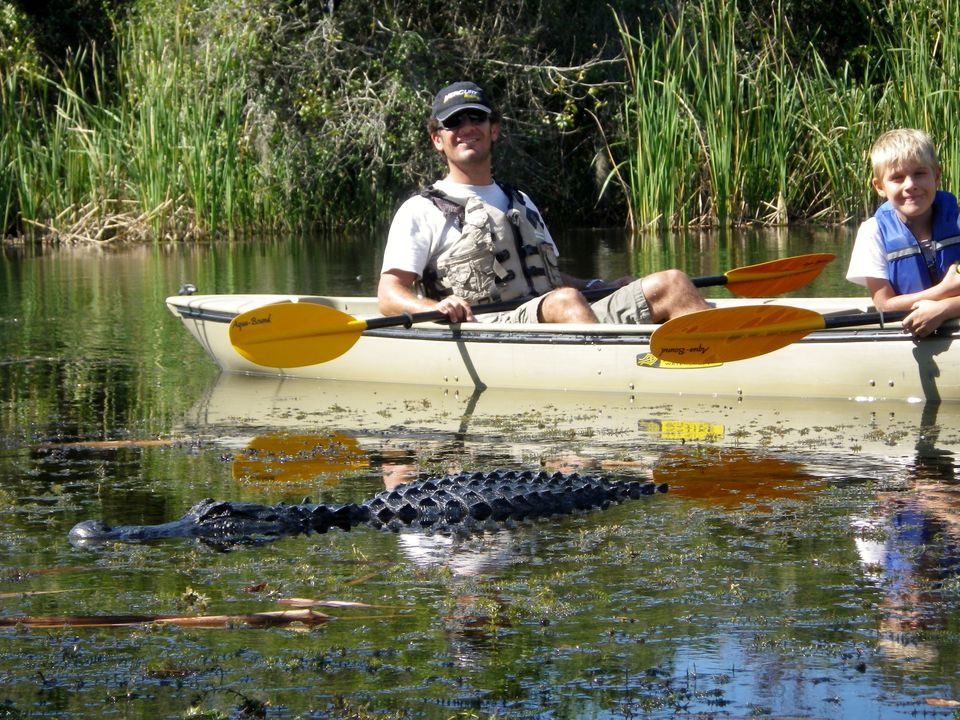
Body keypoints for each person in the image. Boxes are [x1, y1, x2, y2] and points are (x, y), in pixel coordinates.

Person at [378, 81, 711, 324]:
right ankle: (614, 376)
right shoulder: (420, 211)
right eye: (454, 122)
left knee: (673, 283)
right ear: (438, 139)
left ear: (493, 130)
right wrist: (434, 309)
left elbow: (549, 278)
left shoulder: (520, 201)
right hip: (488, 328)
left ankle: (728, 355)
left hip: (559, 312)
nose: (467, 128)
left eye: (476, 118)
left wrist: (601, 285)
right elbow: (389, 295)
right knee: (563, 302)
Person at [846, 128, 960, 337]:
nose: (911, 185)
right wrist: (944, 290)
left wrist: (946, 309)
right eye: (897, 178)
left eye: (919, 173)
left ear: (936, 176)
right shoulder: (873, 233)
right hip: (908, 330)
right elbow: (884, 305)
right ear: (880, 186)